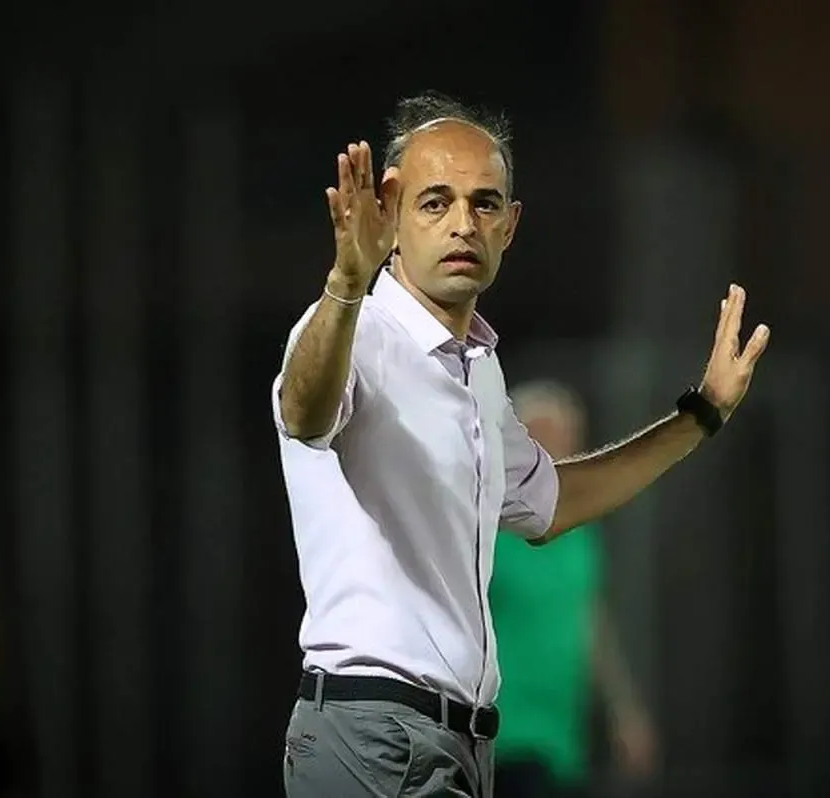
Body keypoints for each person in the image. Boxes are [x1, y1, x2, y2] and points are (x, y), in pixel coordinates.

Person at [274, 90, 770, 798]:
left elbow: (552, 501)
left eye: (484, 204)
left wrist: (701, 414)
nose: (463, 224)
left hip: (459, 740)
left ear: (509, 227)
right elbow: (304, 412)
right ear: (389, 212)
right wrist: (345, 284)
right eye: (435, 202)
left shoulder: (475, 370)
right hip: (373, 733)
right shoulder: (357, 329)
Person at [490, 381, 657, 798]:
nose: (560, 448)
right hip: (501, 733)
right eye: (544, 435)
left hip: (564, 738)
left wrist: (624, 713)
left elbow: (590, 621)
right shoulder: (489, 525)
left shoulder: (579, 530)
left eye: (568, 436)